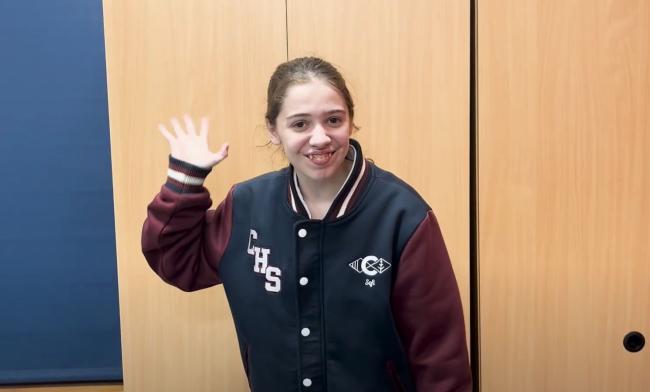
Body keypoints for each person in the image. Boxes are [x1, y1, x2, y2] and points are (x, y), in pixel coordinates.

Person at [142, 57, 472, 392]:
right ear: (274, 130)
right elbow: (176, 262)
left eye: (333, 120)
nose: (320, 138)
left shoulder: (402, 215)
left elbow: (439, 353)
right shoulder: (247, 206)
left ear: (351, 122)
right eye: (300, 124)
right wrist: (185, 180)